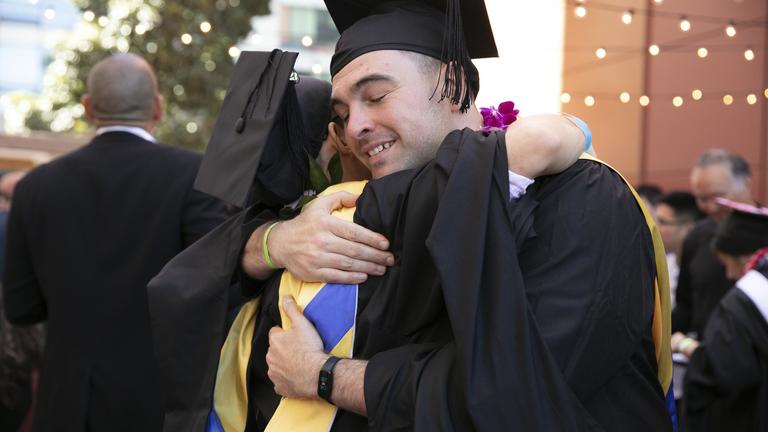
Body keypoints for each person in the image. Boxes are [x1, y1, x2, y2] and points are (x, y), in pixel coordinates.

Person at [234, 1, 672, 431]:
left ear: (455, 81)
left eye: (377, 96)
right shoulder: (362, 222)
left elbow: (512, 395)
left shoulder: (581, 194)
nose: (355, 127)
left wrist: (322, 374)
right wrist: (271, 241)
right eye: (343, 114)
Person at [3, 53, 227, 431]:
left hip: (65, 403)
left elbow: (22, 308)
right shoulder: (195, 176)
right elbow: (211, 292)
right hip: (156, 403)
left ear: (88, 108)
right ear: (157, 107)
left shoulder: (35, 187)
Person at [675, 199, 768, 431]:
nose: (729, 275)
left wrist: (684, 345)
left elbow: (717, 372)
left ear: (748, 258)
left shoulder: (743, 304)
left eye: (728, 264)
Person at [672, 150, 753, 340]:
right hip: (702, 354)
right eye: (701, 198)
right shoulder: (696, 237)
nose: (710, 207)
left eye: (718, 196)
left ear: (747, 185)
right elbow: (685, 306)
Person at [655, 191, 705, 306]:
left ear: (689, 229)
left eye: (662, 222)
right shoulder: (662, 266)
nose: (655, 228)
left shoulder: (700, 272)